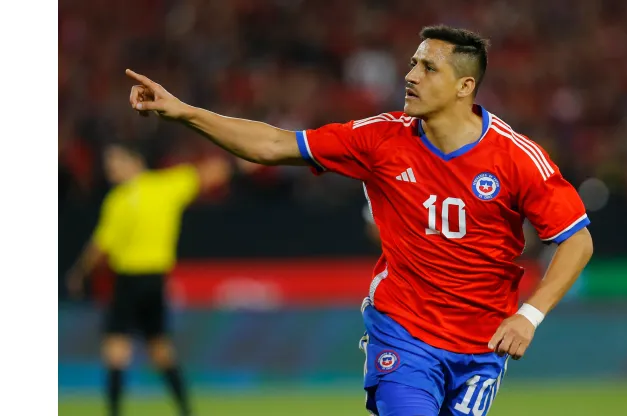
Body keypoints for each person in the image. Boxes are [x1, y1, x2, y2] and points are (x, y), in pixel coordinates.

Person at [125, 24, 593, 416]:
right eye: (412, 63)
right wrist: (184, 112)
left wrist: (530, 316)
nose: (410, 75)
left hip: (481, 349)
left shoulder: (517, 158)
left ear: (464, 86)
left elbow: (576, 241)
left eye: (428, 67)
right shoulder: (379, 139)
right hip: (404, 334)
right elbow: (273, 145)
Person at [66, 141, 230, 416]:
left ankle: (115, 412)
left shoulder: (118, 200)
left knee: (116, 350)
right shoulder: (167, 186)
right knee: (161, 350)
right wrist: (239, 162)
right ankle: (186, 410)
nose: (111, 169)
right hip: (155, 281)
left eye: (116, 162)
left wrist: (78, 273)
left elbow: (100, 246)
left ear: (135, 161)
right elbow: (213, 171)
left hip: (129, 280)